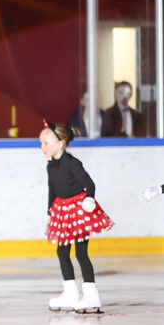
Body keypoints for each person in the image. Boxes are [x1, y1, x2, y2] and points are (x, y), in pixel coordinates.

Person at [40, 120, 113, 313]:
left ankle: (91, 295)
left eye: (45, 143)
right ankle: (70, 292)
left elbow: (89, 183)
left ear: (60, 144)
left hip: (79, 210)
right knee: (62, 252)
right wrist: (50, 212)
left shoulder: (72, 162)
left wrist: (89, 198)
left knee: (81, 253)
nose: (42, 147)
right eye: (41, 143)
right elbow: (52, 190)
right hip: (62, 211)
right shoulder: (51, 167)